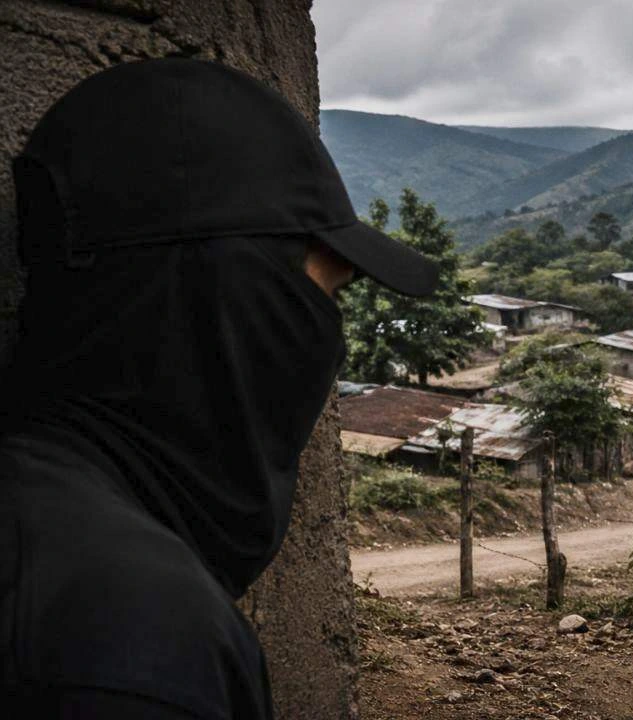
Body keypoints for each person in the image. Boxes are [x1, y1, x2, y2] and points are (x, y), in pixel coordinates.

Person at [1, 59, 441, 719]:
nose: (328, 339)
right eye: (324, 296)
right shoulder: (134, 640)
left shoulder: (41, 519)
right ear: (224, 300)